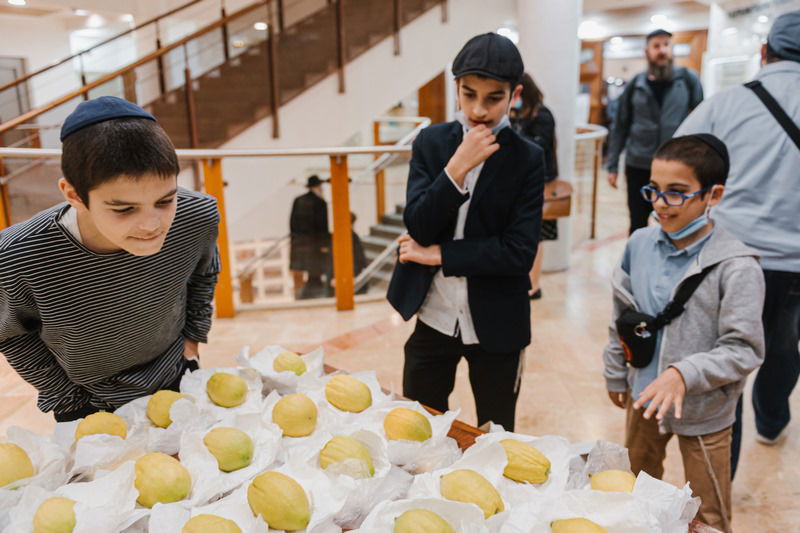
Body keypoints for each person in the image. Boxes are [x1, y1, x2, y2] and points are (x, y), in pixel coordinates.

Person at [0, 96, 220, 422]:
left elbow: (204, 274)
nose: (151, 225)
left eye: (165, 201)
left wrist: (192, 343)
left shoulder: (197, 216)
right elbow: (13, 334)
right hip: (86, 400)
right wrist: (69, 400)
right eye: (123, 209)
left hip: (177, 373)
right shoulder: (18, 255)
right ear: (73, 194)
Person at [602, 135, 764, 533]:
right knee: (635, 493)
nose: (659, 203)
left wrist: (683, 373)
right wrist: (614, 368)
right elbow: (623, 313)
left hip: (705, 410)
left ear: (714, 194)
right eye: (654, 190)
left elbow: (744, 349)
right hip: (643, 392)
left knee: (707, 516)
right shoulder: (638, 244)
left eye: (676, 193)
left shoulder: (738, 267)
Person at [387, 32, 545, 431]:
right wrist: (456, 167)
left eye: (493, 98)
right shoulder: (431, 142)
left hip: (497, 319)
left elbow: (518, 253)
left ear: (515, 94)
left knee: (495, 432)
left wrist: (438, 254)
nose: (478, 109)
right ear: (455, 88)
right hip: (433, 313)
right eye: (468, 94)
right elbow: (419, 224)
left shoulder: (528, 158)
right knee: (420, 427)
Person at [675, 10, 800, 475]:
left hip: (729, 258)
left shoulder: (724, 105)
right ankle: (773, 421)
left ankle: (718, 480)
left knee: (726, 363)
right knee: (783, 345)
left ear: (764, 52)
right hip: (796, 264)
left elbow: (675, 164)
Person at [606, 29, 703, 235]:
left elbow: (701, 121)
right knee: (638, 223)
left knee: (676, 224)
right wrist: (612, 164)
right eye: (657, 46)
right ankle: (638, 264)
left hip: (676, 165)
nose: (662, 51)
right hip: (638, 165)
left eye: (666, 45)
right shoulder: (635, 84)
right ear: (647, 52)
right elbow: (620, 125)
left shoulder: (688, 80)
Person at [511, 72, 558, 299]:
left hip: (541, 183)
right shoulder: (516, 115)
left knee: (536, 236)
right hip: (519, 183)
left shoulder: (542, 115)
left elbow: (539, 149)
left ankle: (533, 285)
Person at [289, 175, 330, 299]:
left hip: (299, 242)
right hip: (314, 244)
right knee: (315, 269)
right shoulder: (320, 202)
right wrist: (324, 245)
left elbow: (292, 222)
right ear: (317, 187)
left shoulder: (298, 200)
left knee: (300, 269)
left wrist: (294, 238)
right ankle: (313, 293)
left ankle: (299, 294)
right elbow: (323, 225)